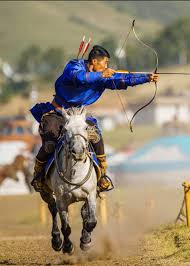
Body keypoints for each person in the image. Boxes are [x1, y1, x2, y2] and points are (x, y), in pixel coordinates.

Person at [30, 45, 158, 193]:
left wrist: (147, 77)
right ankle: (38, 176)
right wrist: (102, 74)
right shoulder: (74, 66)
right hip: (57, 112)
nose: (107, 66)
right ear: (95, 62)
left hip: (78, 116)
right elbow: (79, 78)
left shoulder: (101, 77)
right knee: (49, 144)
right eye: (105, 63)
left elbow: (123, 79)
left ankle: (102, 176)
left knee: (96, 137)